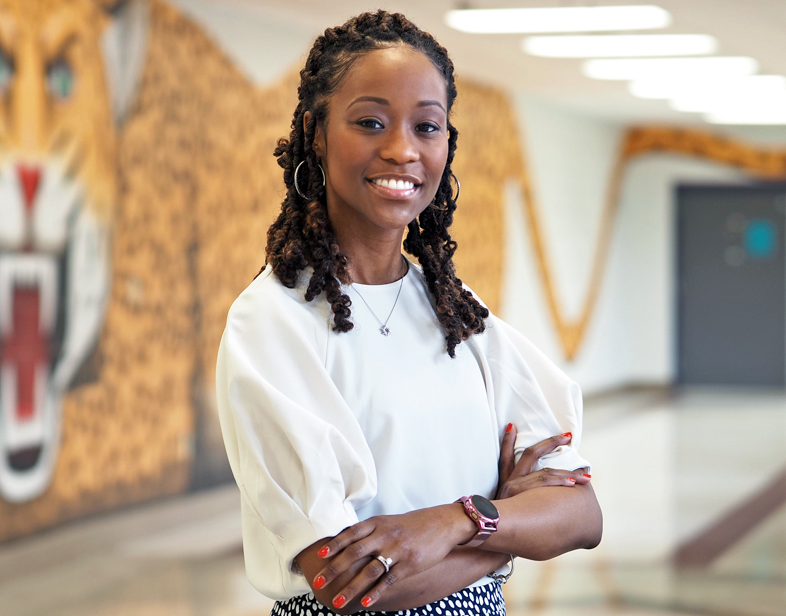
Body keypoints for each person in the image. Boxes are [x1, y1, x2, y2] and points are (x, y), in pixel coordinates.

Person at [216, 11, 602, 616]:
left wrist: (453, 520)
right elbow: (350, 586)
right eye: (370, 122)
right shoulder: (273, 323)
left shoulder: (460, 315)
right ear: (316, 134)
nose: (402, 150)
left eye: (427, 126)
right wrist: (505, 527)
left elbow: (581, 515)